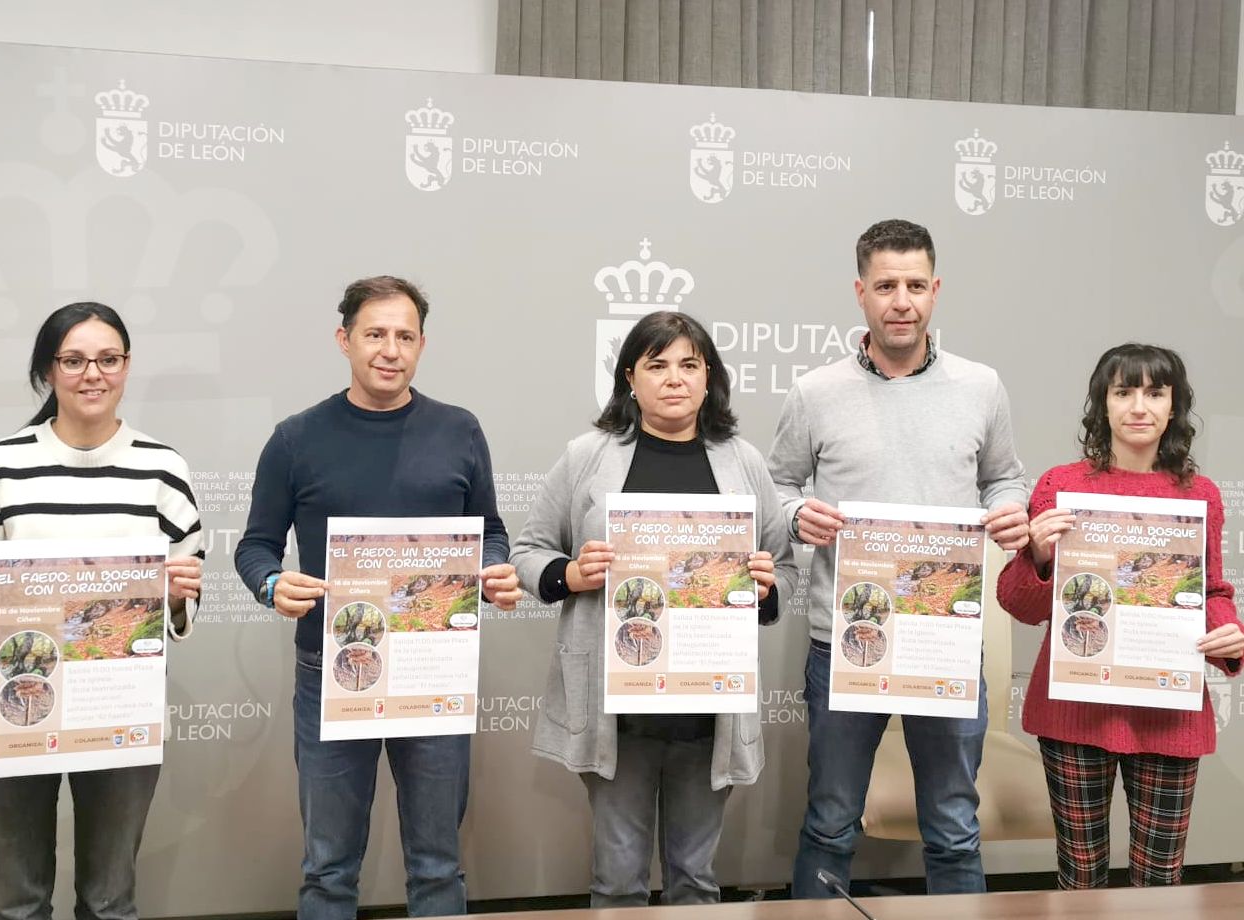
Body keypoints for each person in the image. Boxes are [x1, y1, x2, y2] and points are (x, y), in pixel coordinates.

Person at [233, 276, 521, 919]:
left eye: (405, 336)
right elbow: (254, 546)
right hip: (331, 671)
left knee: (438, 866)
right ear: (345, 340)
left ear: (421, 345)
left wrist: (496, 568)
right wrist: (273, 584)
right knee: (329, 869)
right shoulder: (296, 438)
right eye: (375, 334)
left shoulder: (459, 429)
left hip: (432, 665)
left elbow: (489, 531)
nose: (390, 350)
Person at [766, 218, 1030, 896]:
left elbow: (1004, 476)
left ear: (936, 290)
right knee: (830, 820)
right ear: (861, 292)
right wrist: (798, 514)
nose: (901, 300)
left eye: (915, 285)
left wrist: (1009, 507)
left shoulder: (981, 386)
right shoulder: (816, 392)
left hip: (942, 636)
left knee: (952, 822)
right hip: (845, 639)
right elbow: (776, 485)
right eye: (886, 286)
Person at [510, 310, 797, 907]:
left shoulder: (742, 462)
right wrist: (571, 573)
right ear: (629, 379)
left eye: (690, 364)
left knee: (695, 879)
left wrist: (768, 590)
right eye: (657, 365)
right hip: (617, 706)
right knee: (617, 882)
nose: (674, 378)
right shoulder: (587, 456)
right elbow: (527, 553)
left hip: (708, 704)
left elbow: (786, 566)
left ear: (709, 377)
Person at [0, 302, 203, 920]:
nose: (93, 374)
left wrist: (174, 592)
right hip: (11, 710)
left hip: (117, 706)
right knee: (18, 902)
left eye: (108, 359)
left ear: (126, 366)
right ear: (48, 371)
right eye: (74, 360)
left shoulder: (163, 471)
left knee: (110, 902)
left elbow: (180, 605)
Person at [996, 343, 1244, 889]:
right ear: (1101, 404)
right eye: (1123, 391)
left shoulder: (1198, 494)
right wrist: (1036, 555)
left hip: (1168, 708)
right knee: (1080, 880)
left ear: (1174, 406)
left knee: (1158, 885)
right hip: (1076, 708)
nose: (1139, 406)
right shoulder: (1060, 486)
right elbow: (1018, 603)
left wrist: (1231, 633)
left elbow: (1213, 591)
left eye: (1155, 392)